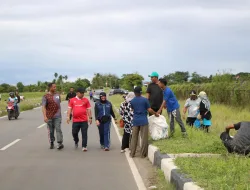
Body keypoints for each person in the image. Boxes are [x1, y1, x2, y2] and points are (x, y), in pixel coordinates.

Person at [130, 86, 159, 158]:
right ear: (140, 92)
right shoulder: (145, 100)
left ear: (134, 93)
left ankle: (132, 153)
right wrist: (155, 113)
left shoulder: (132, 101)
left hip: (135, 121)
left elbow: (132, 110)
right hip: (143, 120)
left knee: (134, 138)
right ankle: (142, 154)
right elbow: (149, 109)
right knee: (144, 138)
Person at [67, 87, 92, 152]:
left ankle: (84, 146)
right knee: (74, 133)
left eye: (83, 93)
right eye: (81, 93)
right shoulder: (72, 100)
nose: (83, 94)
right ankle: (76, 140)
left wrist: (90, 117)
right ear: (77, 93)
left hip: (84, 120)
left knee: (84, 133)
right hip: (76, 121)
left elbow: (89, 109)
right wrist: (68, 117)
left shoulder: (86, 100)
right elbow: (69, 109)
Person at [42, 83, 64, 150]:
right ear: (50, 88)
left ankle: (60, 143)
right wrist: (45, 116)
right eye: (54, 87)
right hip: (49, 116)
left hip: (57, 116)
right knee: (51, 131)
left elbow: (59, 102)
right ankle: (51, 142)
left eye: (55, 87)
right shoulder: (45, 96)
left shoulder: (57, 95)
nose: (55, 88)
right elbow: (43, 107)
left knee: (58, 129)